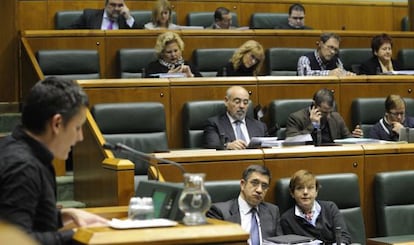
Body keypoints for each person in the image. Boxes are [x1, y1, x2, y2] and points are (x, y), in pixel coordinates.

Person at [0, 77, 108, 244]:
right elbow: (13, 241)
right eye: (77, 127)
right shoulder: (23, 168)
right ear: (57, 123)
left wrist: (58, 216)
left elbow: (17, 219)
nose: (80, 137)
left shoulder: (13, 147)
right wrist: (80, 236)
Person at [207, 165, 283, 244]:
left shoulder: (273, 211)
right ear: (243, 184)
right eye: (254, 183)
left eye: (264, 186)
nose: (259, 190)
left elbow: (280, 242)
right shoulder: (219, 212)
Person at [280, 169, 352, 244]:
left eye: (310, 187)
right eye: (300, 188)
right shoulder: (287, 220)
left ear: (316, 191)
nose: (305, 192)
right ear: (292, 193)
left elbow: (344, 237)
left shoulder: (330, 208)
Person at [285, 88, 363, 144]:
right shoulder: (296, 118)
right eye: (324, 112)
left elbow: (348, 140)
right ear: (314, 105)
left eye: (330, 112)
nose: (328, 116)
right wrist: (312, 125)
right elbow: (291, 142)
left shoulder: (336, 117)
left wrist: (355, 139)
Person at [203, 86, 267, 150]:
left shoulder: (260, 126)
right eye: (237, 102)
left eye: (245, 102)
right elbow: (212, 145)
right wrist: (227, 146)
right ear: (226, 101)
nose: (242, 106)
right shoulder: (214, 124)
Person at [70, 0, 138, 29]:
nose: (116, 8)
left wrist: (128, 18)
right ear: (106, 5)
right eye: (113, 5)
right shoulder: (89, 16)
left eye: (120, 5)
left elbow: (141, 36)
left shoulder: (125, 19)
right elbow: (69, 31)